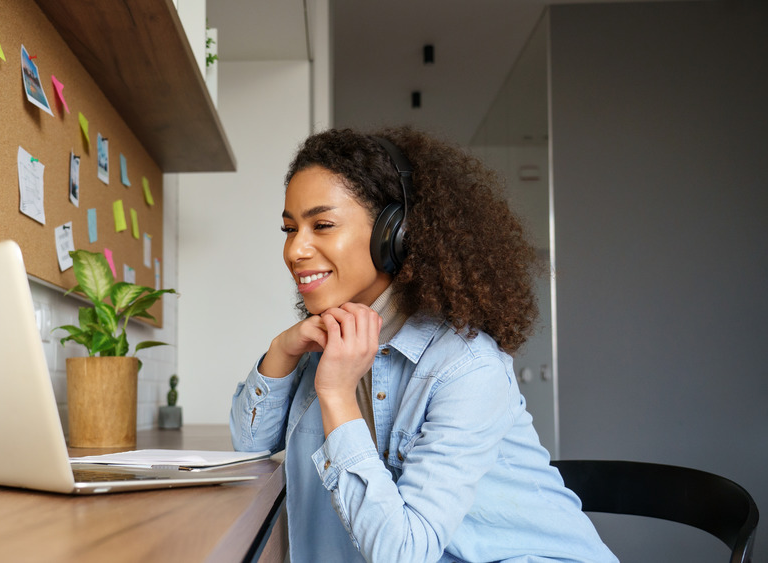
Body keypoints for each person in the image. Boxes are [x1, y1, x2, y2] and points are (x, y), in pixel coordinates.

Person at [230, 127, 616, 562]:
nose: (295, 250)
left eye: (322, 225)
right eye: (289, 228)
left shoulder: (467, 367)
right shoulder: (329, 339)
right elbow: (250, 445)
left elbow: (403, 553)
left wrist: (337, 395)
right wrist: (282, 351)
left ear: (393, 233)